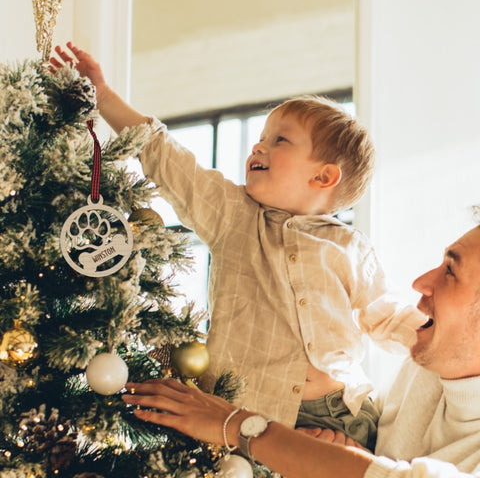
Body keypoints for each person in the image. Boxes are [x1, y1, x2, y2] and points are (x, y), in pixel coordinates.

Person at [51, 43, 426, 451]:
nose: (257, 146)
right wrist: (103, 95)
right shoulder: (234, 216)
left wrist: (442, 338)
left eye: (280, 140)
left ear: (323, 177)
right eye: (261, 137)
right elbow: (167, 158)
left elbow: (386, 316)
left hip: (337, 413)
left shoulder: (348, 246)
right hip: (244, 410)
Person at [122, 223, 480, 478]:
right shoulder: (429, 365)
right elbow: (379, 462)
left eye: (450, 271)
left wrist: (236, 424)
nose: (421, 283)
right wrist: (346, 451)